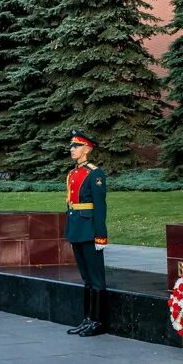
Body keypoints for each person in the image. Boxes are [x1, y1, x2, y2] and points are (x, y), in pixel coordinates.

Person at [64, 130, 107, 337]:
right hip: (77, 229)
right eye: (72, 146)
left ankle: (98, 322)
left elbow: (100, 206)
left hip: (90, 230)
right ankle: (87, 318)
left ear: (87, 149)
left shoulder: (94, 173)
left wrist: (101, 235)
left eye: (76, 146)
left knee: (96, 278)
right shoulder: (73, 173)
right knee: (86, 278)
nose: (72, 149)